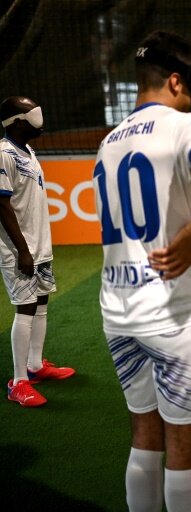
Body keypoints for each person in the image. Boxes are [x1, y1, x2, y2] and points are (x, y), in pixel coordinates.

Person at [94, 31, 191, 511]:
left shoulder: (108, 142)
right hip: (174, 310)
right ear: (174, 80)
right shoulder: (184, 126)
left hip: (118, 311)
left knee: (145, 433)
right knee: (187, 450)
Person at [1, 96, 75, 408]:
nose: (39, 120)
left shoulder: (27, 150)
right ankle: (18, 382)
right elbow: (1, 204)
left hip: (38, 245)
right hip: (20, 249)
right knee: (26, 307)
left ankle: (35, 366)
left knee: (41, 302)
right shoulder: (3, 154)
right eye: (32, 115)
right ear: (17, 122)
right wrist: (22, 250)